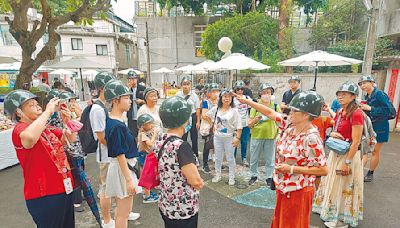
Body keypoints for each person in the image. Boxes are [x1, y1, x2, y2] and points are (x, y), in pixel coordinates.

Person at [235, 90, 328, 228]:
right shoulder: (290, 125)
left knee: (293, 224)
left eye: (294, 111)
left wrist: (291, 168)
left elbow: (323, 169)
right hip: (283, 186)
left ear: (306, 115)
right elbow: (270, 113)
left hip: (298, 190)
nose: (290, 113)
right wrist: (247, 101)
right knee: (281, 221)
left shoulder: (311, 138)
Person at [5, 90, 77, 227]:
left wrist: (68, 121)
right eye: (31, 105)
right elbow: (30, 139)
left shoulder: (44, 127)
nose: (38, 106)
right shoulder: (20, 129)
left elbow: (69, 138)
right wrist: (48, 112)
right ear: (19, 112)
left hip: (63, 187)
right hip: (44, 194)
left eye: (37, 104)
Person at [313, 81, 364, 228]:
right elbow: (337, 124)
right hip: (336, 152)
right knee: (334, 183)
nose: (340, 97)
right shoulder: (342, 112)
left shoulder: (357, 113)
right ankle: (331, 212)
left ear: (353, 96)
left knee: (344, 186)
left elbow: (356, 141)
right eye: (339, 94)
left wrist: (347, 163)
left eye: (344, 94)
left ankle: (341, 219)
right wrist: (334, 131)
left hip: (348, 154)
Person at [157, 96, 204, 228]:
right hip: (182, 208)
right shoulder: (181, 146)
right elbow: (195, 181)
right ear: (183, 120)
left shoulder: (161, 139)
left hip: (166, 203)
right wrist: (200, 183)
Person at [104, 79, 142, 228]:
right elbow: (119, 154)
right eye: (126, 98)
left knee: (121, 211)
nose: (130, 101)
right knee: (123, 213)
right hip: (123, 168)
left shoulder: (114, 120)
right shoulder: (116, 124)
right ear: (115, 100)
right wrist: (128, 180)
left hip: (122, 167)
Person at [89, 72, 118, 227]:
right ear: (102, 88)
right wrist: (116, 147)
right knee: (106, 188)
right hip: (106, 155)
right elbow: (100, 137)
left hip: (112, 154)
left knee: (115, 186)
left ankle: (117, 215)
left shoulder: (105, 105)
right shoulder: (97, 109)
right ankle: (106, 220)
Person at [359, 75, 393, 182]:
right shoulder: (368, 96)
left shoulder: (379, 94)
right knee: (364, 150)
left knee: (374, 151)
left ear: (372, 83)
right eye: (361, 84)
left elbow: (389, 111)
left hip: (380, 127)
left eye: (365, 83)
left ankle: (370, 173)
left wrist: (370, 108)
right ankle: (358, 171)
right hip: (370, 126)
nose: (362, 85)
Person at [247, 83, 280, 189]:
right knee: (254, 157)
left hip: (271, 136)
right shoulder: (255, 106)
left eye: (268, 93)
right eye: (264, 93)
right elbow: (249, 124)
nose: (266, 95)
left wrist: (278, 134)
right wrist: (256, 119)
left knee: (270, 159)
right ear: (260, 94)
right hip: (257, 135)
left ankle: (269, 177)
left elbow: (280, 121)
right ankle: (253, 175)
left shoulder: (275, 106)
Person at [207, 89, 242, 185]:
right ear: (221, 98)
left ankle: (232, 177)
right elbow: (206, 115)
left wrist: (237, 138)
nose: (227, 98)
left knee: (230, 158)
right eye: (225, 96)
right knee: (218, 157)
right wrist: (212, 125)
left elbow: (239, 126)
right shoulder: (216, 109)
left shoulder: (234, 111)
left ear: (232, 99)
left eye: (229, 97)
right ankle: (217, 175)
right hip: (217, 137)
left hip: (229, 137)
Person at [176, 77, 201, 163]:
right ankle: (183, 156)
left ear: (190, 85)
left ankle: (195, 155)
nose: (186, 86)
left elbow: (198, 109)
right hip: (183, 118)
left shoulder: (194, 96)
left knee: (194, 137)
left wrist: (198, 121)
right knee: (183, 137)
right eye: (184, 84)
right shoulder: (178, 95)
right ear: (181, 85)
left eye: (188, 84)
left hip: (192, 117)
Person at [137, 114, 159, 203]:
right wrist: (154, 136)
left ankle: (146, 192)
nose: (151, 125)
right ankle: (147, 196)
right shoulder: (142, 134)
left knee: (148, 175)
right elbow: (149, 144)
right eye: (149, 124)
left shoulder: (147, 132)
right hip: (144, 156)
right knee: (146, 176)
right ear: (143, 125)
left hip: (147, 155)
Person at [200, 83, 220, 173]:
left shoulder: (220, 101)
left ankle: (217, 162)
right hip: (209, 127)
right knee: (207, 145)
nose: (215, 93)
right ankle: (205, 164)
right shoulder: (206, 102)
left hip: (218, 126)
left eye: (217, 91)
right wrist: (211, 123)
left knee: (218, 145)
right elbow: (204, 115)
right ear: (209, 93)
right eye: (213, 91)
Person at [233, 80, 251, 166]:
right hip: (235, 124)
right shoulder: (232, 99)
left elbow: (252, 107)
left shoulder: (247, 98)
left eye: (241, 89)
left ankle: (244, 158)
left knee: (244, 141)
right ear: (235, 90)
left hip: (245, 123)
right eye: (238, 89)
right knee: (234, 141)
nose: (240, 91)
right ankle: (232, 158)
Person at [126, 70, 146, 140]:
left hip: (141, 115)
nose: (133, 81)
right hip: (131, 116)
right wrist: (128, 88)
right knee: (132, 135)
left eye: (134, 78)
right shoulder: (127, 90)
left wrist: (142, 101)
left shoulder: (142, 88)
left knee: (142, 135)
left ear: (137, 79)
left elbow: (148, 101)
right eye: (130, 79)